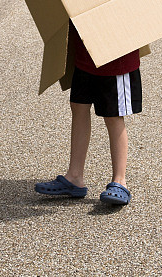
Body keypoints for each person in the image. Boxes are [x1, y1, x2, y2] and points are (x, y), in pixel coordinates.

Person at [35, 23, 141, 205]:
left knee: (113, 116)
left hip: (116, 57)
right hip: (86, 52)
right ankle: (74, 176)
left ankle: (120, 181)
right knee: (78, 106)